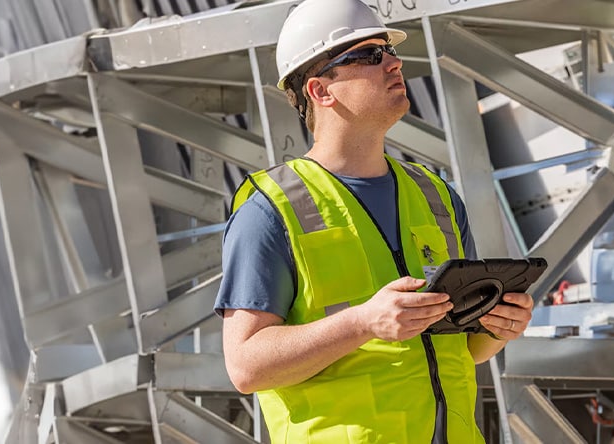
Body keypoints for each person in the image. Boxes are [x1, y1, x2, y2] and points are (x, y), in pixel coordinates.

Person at [214, 0, 535, 442]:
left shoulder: (436, 195)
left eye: (388, 50)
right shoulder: (270, 211)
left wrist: (500, 328)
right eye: (368, 55)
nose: (393, 62)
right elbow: (247, 366)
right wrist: (363, 322)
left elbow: (463, 349)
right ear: (320, 91)